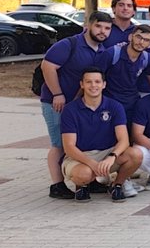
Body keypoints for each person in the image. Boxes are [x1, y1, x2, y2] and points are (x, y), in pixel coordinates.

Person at [40, 11, 112, 199]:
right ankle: (57, 185)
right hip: (55, 102)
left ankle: (90, 181)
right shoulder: (69, 44)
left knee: (79, 143)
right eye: (98, 26)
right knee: (59, 145)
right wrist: (57, 94)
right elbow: (47, 66)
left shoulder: (102, 50)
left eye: (107, 28)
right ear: (88, 26)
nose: (102, 31)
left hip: (76, 105)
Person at [58, 68, 143, 202]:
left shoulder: (115, 106)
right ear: (82, 84)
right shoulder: (70, 110)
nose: (93, 86)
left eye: (97, 82)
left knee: (136, 154)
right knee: (84, 174)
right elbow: (69, 147)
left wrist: (111, 157)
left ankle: (117, 185)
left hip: (107, 153)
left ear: (104, 84)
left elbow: (124, 140)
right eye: (89, 82)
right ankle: (81, 186)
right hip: (81, 156)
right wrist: (91, 163)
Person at [99, 24, 150, 117]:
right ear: (130, 37)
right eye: (138, 37)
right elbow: (94, 78)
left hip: (132, 105)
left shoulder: (147, 58)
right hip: (109, 104)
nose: (141, 42)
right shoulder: (112, 53)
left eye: (146, 40)